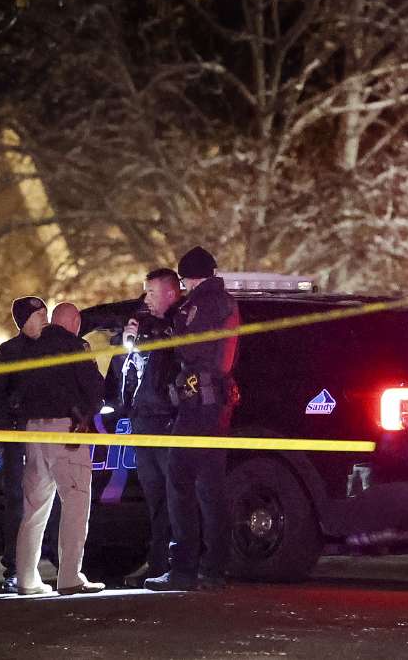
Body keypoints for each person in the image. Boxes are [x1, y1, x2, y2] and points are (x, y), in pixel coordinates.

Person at [144, 247, 240, 592]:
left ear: (188, 277)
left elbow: (189, 349)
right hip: (218, 404)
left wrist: (165, 332)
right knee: (211, 486)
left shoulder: (199, 304)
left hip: (199, 403)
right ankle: (215, 567)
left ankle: (183, 567)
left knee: (178, 478)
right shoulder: (226, 301)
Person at [14, 300, 106, 596]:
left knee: (34, 510)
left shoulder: (30, 347)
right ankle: (69, 577)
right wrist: (88, 413)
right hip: (65, 432)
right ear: (75, 322)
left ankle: (26, 580)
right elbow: (94, 389)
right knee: (76, 505)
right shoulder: (75, 347)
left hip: (32, 433)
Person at [0, 296, 58, 593]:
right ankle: (15, 568)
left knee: (51, 501)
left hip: (50, 435)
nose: (45, 318)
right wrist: (7, 424)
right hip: (18, 438)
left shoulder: (52, 348)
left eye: (46, 313)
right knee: (19, 502)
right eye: (39, 314)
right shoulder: (7, 353)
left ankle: (52, 564)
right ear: (23, 319)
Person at [116, 268, 184, 587]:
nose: (146, 299)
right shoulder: (145, 328)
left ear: (171, 293)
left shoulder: (179, 325)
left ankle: (177, 564)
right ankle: (158, 564)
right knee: (155, 499)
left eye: (152, 293)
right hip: (143, 420)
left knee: (173, 499)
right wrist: (129, 341)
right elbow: (126, 373)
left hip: (167, 422)